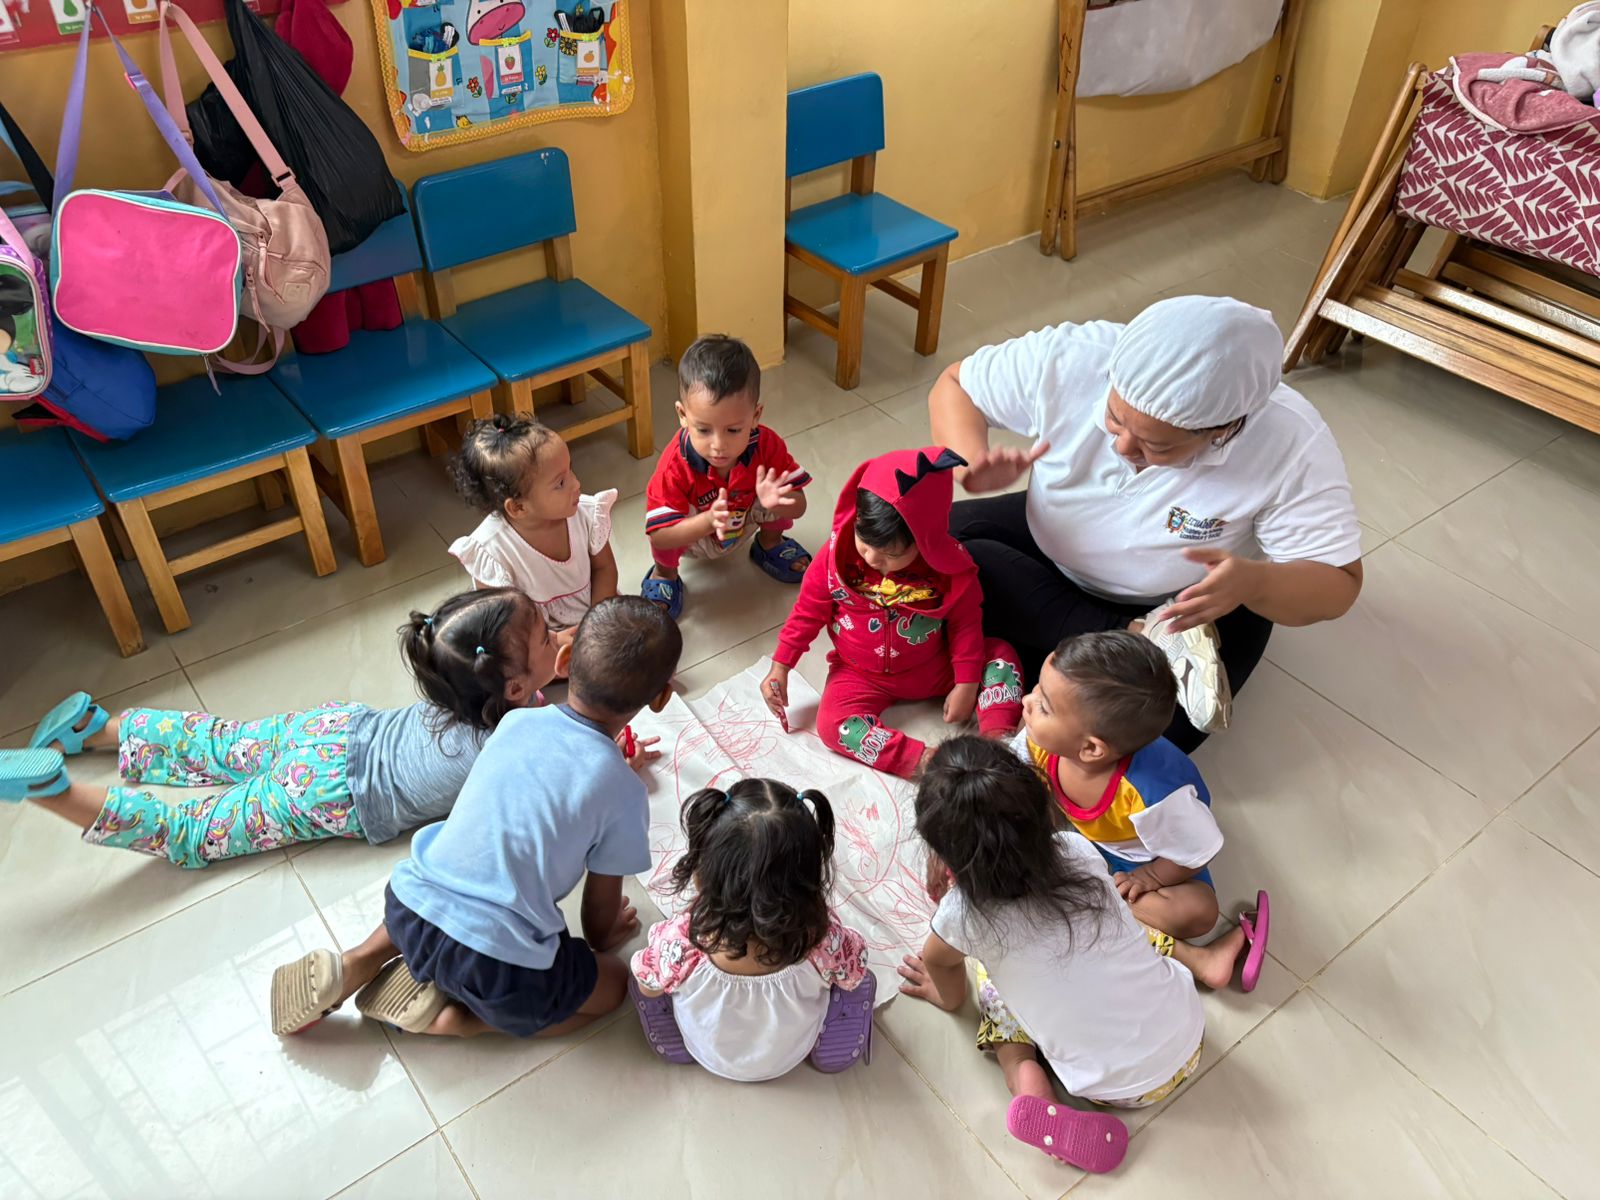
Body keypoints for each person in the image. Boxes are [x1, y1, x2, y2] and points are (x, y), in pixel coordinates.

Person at [928, 295, 1362, 750]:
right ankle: (1130, 637)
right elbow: (956, 385)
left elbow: (1340, 583)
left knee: (1155, 730)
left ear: (1224, 429)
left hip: (1190, 607)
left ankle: (1073, 653)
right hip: (1051, 546)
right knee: (921, 546)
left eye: (1158, 446)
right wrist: (968, 461)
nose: (1122, 449)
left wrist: (1255, 583)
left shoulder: (1291, 441)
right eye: (1114, 421)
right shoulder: (1076, 357)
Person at [268, 596, 683, 1039]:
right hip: (496, 964)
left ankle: (360, 959)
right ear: (661, 697)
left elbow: (552, 778)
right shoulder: (624, 793)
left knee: (442, 888)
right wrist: (608, 935)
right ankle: (459, 1021)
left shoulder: (515, 724)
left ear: (565, 660)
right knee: (615, 984)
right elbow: (598, 920)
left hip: (408, 907)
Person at [0, 588, 654, 864]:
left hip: (334, 730)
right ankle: (55, 791)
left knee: (220, 741)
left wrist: (558, 658)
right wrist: (616, 767)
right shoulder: (515, 741)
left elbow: (541, 696)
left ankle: (97, 728)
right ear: (513, 688)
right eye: (546, 635)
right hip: (330, 793)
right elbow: (558, 794)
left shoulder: (468, 681)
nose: (558, 635)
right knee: (194, 831)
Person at [899, 737, 1248, 1174]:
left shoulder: (960, 917)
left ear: (943, 854)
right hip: (1188, 1033)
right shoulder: (1078, 851)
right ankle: (1199, 962)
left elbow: (944, 972)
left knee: (990, 981)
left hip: (1116, 1090)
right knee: (1114, 922)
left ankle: (1029, 1082)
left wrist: (945, 995)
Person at [760, 446, 1024, 779]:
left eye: (890, 554)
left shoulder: (949, 568)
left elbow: (965, 624)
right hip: (860, 674)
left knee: (1000, 656)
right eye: (864, 540)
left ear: (925, 541)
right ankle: (926, 761)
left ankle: (1000, 746)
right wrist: (780, 666)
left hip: (933, 666)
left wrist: (967, 683)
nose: (871, 558)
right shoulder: (833, 558)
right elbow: (807, 613)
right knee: (832, 726)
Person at [1013, 630, 1269, 972]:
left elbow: (1199, 849)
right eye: (1038, 689)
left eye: (1044, 706)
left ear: (1091, 748)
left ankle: (1191, 957)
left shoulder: (1155, 795)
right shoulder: (1040, 739)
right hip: (1084, 840)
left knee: (1199, 912)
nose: (1027, 702)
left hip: (1142, 859)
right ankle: (1193, 958)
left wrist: (1150, 876)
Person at [626, 779, 874, 1081]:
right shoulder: (820, 940)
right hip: (789, 1053)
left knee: (649, 979)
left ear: (701, 878)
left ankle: (673, 1026)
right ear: (811, 879)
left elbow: (648, 984)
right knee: (855, 981)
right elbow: (855, 970)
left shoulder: (682, 941)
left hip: (708, 1051)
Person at [640, 334, 813, 618]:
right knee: (666, 520)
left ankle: (770, 543)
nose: (718, 445)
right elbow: (659, 536)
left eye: (733, 430)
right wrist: (706, 521)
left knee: (776, 489)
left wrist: (778, 502)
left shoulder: (766, 445)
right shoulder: (674, 466)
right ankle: (664, 574)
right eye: (703, 430)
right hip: (695, 534)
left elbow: (800, 506)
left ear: (755, 416)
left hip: (742, 520)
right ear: (682, 415)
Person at [447, 415, 618, 655]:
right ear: (518, 507)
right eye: (560, 483)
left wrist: (594, 622)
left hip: (596, 613)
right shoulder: (492, 551)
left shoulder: (585, 514)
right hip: (536, 641)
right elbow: (507, 625)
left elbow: (604, 568)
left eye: (571, 470)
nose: (576, 484)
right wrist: (554, 641)